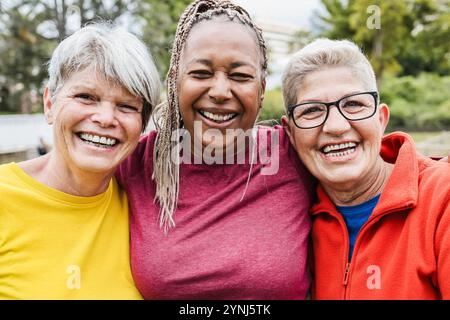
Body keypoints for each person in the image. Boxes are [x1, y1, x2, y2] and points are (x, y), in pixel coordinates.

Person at [117, 0, 312, 299]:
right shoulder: (133, 164)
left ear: (261, 89)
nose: (220, 92)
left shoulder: (296, 155)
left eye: (240, 76)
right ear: (175, 81)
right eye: (201, 73)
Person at [0, 23, 160, 299]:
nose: (106, 118)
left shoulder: (147, 203)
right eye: (86, 97)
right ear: (50, 104)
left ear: (141, 124)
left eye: (126, 106)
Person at [281, 38, 450, 299]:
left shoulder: (442, 200)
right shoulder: (294, 220)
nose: (336, 126)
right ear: (290, 133)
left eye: (353, 104)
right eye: (312, 110)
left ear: (381, 120)